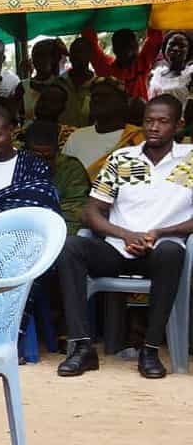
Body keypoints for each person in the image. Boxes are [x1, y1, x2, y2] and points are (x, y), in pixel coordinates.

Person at [56, 95, 191, 379]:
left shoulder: (190, 161)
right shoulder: (122, 158)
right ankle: (82, 348)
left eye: (163, 121)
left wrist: (161, 232)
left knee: (171, 252)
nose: (154, 127)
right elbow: (91, 212)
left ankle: (150, 351)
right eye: (149, 120)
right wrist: (125, 234)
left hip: (161, 252)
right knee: (70, 246)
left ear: (178, 125)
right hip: (117, 249)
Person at [62, 77, 145, 178]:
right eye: (94, 97)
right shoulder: (77, 137)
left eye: (105, 96)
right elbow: (66, 177)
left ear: (123, 102)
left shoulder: (139, 138)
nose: (97, 100)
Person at [23, 120, 90, 235]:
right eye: (37, 158)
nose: (42, 164)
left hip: (59, 229)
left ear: (57, 152)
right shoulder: (14, 166)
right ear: (25, 153)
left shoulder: (71, 169)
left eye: (48, 158)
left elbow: (74, 212)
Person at [81, 26, 163, 101]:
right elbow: (90, 42)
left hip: (140, 112)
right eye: (128, 47)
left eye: (134, 46)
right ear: (116, 50)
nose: (134, 50)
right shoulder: (107, 70)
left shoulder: (141, 63)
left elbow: (155, 37)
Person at [18, 39, 69, 123]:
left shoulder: (62, 84)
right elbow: (19, 117)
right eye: (35, 55)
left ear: (53, 58)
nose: (38, 60)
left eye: (43, 56)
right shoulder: (23, 86)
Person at [148, 31, 193, 111]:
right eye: (172, 44)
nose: (176, 48)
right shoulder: (156, 73)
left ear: (188, 51)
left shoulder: (189, 74)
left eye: (182, 46)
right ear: (165, 48)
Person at [61, 37, 95, 127]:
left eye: (80, 52)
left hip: (88, 135)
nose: (76, 56)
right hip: (61, 135)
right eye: (73, 52)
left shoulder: (98, 86)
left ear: (90, 56)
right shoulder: (59, 83)